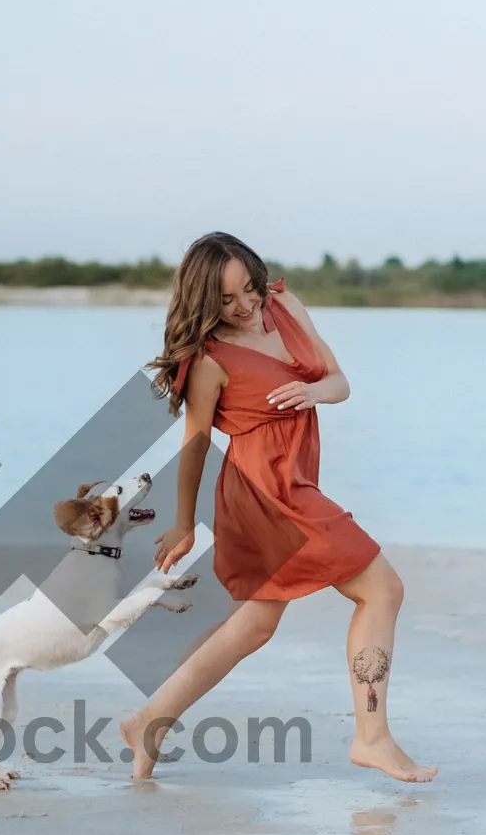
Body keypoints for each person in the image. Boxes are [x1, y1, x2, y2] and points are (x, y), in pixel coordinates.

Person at [120, 231, 436, 784]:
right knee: (382, 588)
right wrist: (183, 522)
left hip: (296, 480)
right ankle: (372, 737)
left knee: (254, 627)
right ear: (202, 303)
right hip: (262, 493)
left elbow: (338, 381)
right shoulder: (209, 359)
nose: (245, 306)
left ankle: (148, 721)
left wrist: (313, 393)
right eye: (226, 300)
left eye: (250, 289)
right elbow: (194, 444)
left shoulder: (285, 305)